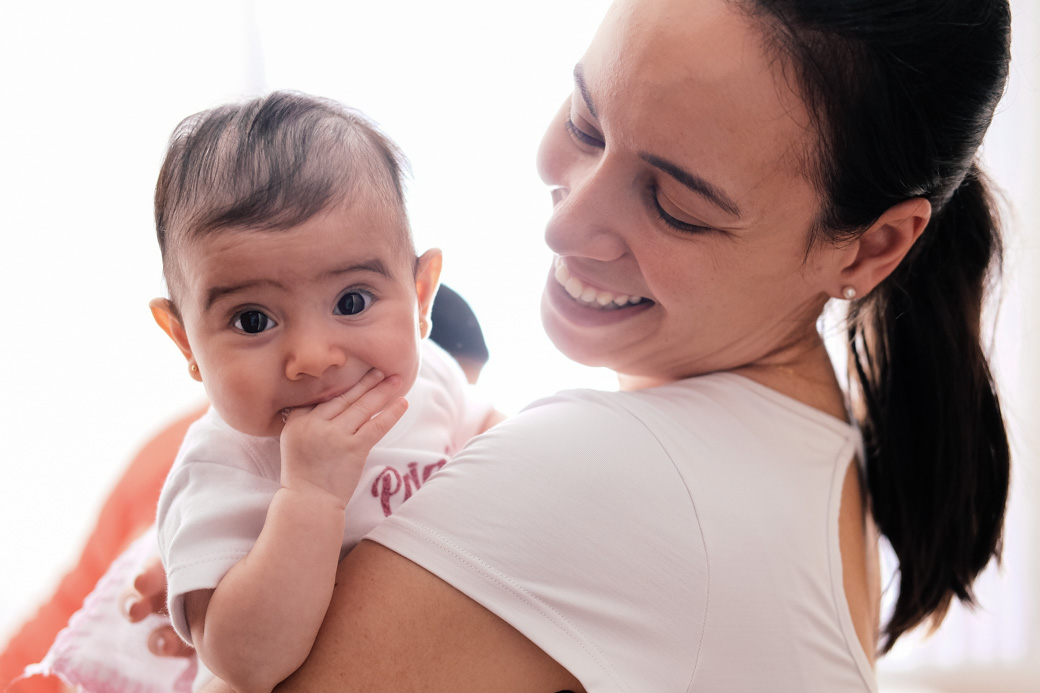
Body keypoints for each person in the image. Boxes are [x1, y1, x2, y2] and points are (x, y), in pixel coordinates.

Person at [140, 0, 1009, 689]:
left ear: (870, 246)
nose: (566, 223)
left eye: (675, 202)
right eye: (588, 122)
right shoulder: (814, 440)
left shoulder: (609, 472)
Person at [143, 91, 497, 693]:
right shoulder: (219, 470)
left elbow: (499, 444)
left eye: (351, 302)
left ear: (420, 297)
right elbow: (247, 663)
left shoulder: (431, 377)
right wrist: (309, 496)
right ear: (185, 344)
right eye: (253, 320)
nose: (313, 357)